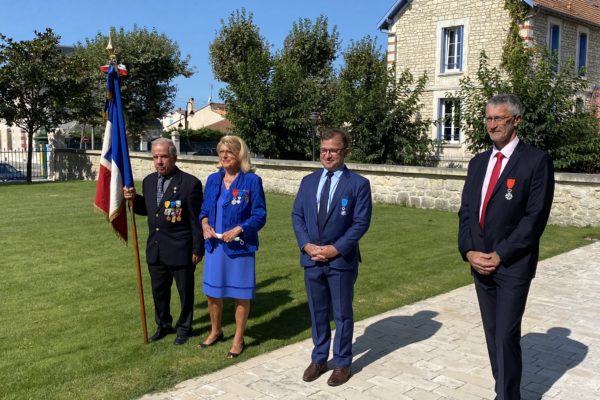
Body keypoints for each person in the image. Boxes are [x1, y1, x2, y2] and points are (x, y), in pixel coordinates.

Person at [458, 94, 554, 400]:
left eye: (499, 118)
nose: (492, 124)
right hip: (479, 263)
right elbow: (467, 212)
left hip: (512, 265)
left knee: (505, 335)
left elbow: (534, 219)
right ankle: (504, 389)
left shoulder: (536, 161)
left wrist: (501, 254)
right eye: (488, 118)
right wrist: (469, 251)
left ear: (516, 120)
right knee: (492, 335)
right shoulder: (477, 162)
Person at [291, 128, 372, 386]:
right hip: (312, 258)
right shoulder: (308, 181)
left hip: (340, 260)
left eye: (333, 150)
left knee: (342, 314)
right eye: (324, 150)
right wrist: (306, 245)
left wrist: (336, 249)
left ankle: (342, 362)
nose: (327, 155)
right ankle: (319, 359)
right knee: (317, 311)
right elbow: (297, 216)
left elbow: (360, 223)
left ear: (344, 152)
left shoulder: (358, 184)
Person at [123, 138, 203, 345]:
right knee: (159, 292)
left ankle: (184, 327)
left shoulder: (189, 183)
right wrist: (133, 199)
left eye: (163, 156)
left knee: (185, 293)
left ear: (174, 157)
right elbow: (152, 211)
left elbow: (196, 219)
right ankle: (163, 324)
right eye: (155, 157)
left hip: (181, 249)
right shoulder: (149, 181)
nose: (159, 161)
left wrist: (197, 248)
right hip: (156, 249)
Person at [197, 135, 266, 359]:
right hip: (215, 247)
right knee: (213, 294)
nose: (224, 156)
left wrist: (239, 229)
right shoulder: (213, 179)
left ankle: (238, 338)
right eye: (221, 152)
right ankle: (216, 331)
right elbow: (204, 209)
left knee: (240, 295)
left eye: (229, 152)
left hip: (240, 249)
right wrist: (205, 224)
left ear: (240, 154)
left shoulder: (251, 181)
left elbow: (260, 215)